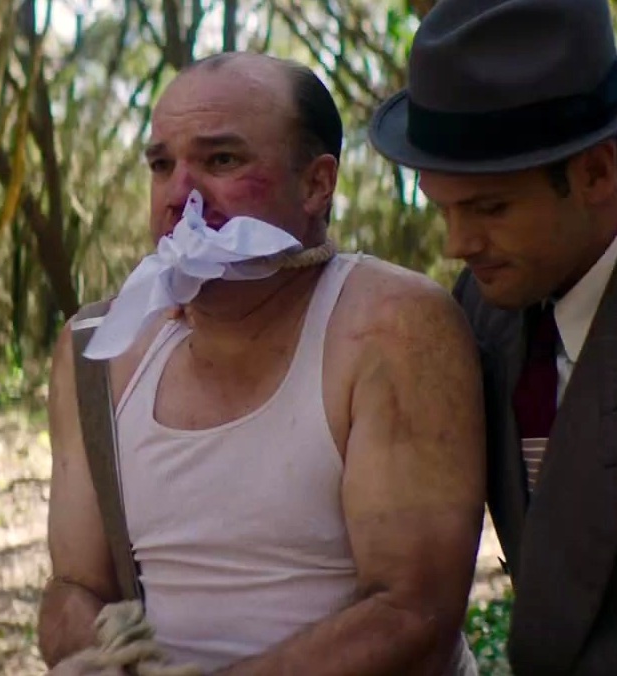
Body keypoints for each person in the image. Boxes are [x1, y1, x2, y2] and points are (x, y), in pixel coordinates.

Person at [40, 52, 486, 675]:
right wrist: (104, 658)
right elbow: (72, 587)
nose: (179, 197)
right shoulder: (99, 350)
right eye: (162, 165)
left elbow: (413, 615)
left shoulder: (394, 328)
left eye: (222, 160)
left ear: (317, 185)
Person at [369, 0, 617, 672]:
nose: (457, 244)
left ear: (598, 173)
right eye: (442, 208)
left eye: (490, 208)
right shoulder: (481, 311)